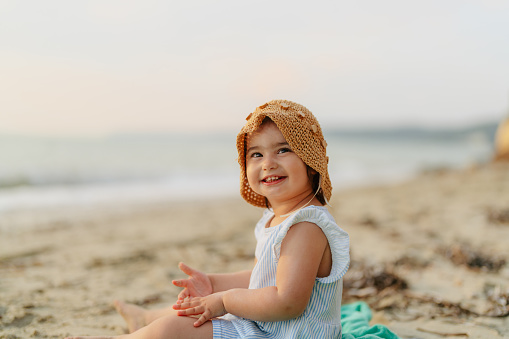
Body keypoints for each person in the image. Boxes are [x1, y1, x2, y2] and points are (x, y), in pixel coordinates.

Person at [66, 99, 350, 339]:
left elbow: (287, 302)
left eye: (283, 149)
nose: (268, 163)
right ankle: (145, 319)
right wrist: (214, 284)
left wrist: (224, 300)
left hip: (284, 333)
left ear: (312, 161)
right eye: (256, 154)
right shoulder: (279, 219)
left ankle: (149, 324)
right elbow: (261, 280)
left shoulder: (305, 225)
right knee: (191, 310)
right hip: (269, 329)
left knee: (173, 329)